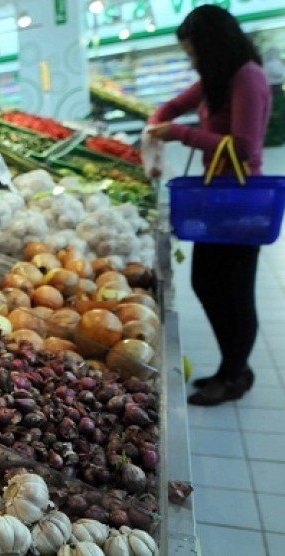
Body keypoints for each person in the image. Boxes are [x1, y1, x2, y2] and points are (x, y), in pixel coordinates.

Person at [147, 5, 272, 406]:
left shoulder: (247, 78)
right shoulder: (217, 79)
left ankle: (234, 374)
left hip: (240, 199)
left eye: (195, 53)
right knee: (207, 282)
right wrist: (159, 121)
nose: (193, 61)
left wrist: (180, 133)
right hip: (214, 197)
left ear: (213, 46)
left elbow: (242, 147)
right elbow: (172, 106)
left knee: (235, 291)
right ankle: (233, 367)